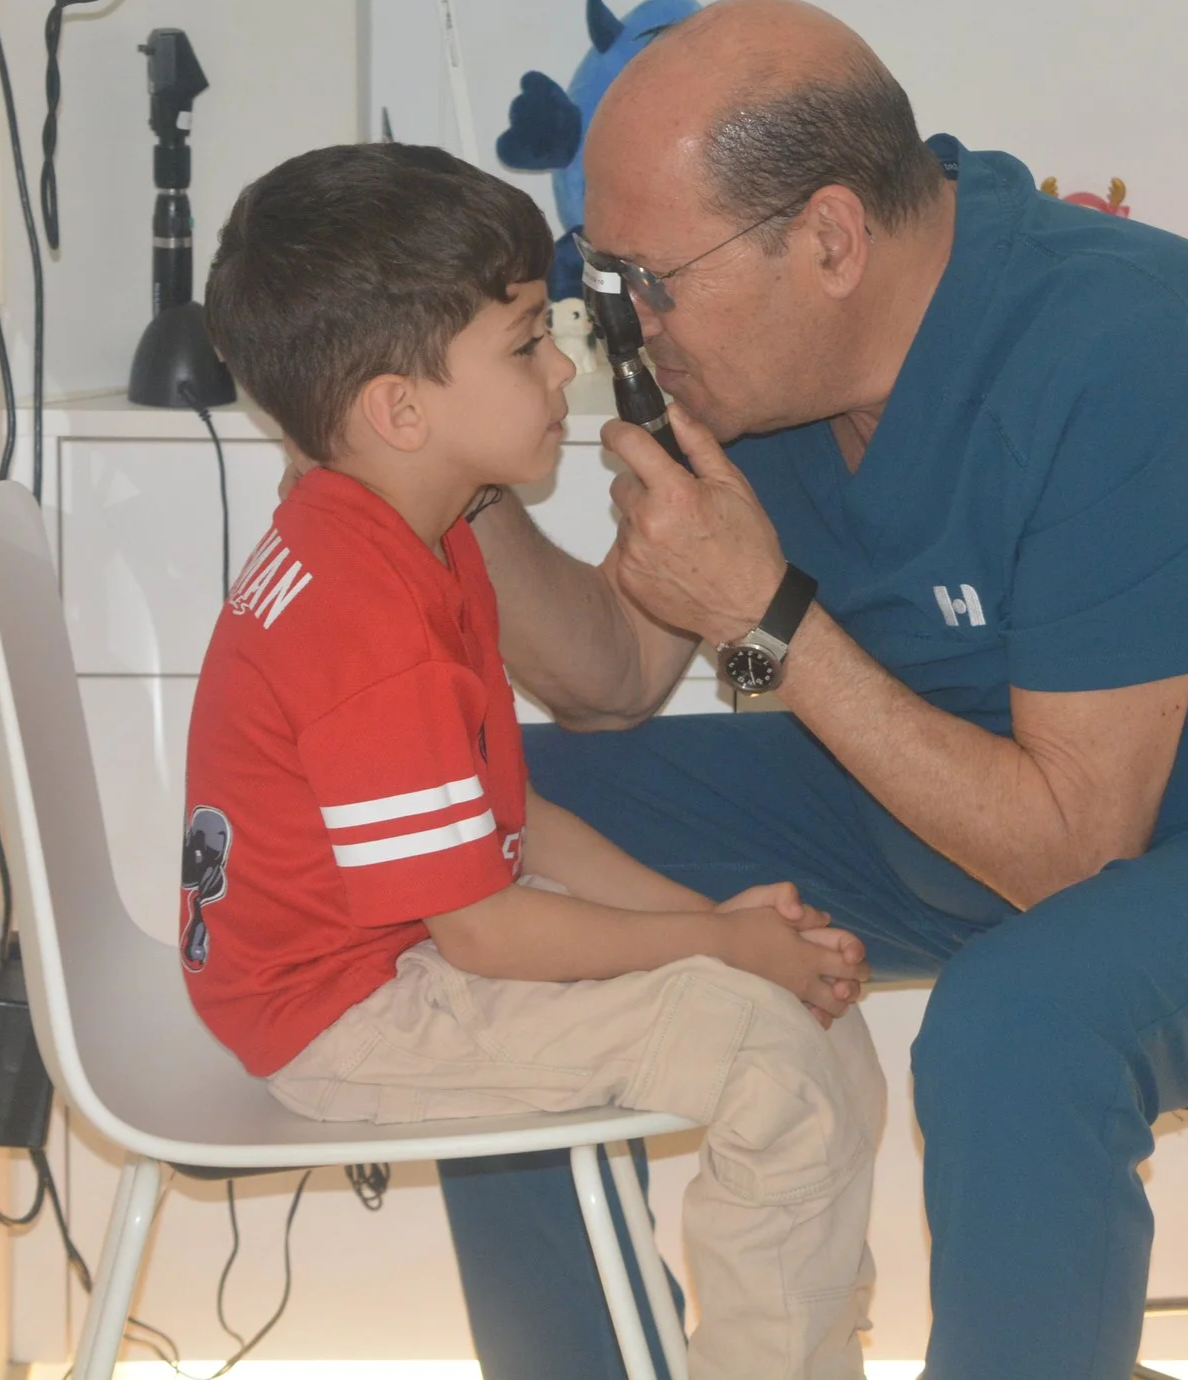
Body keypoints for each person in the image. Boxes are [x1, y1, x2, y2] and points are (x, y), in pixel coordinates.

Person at [435, 0, 1188, 1380]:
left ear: (830, 239)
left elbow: (1071, 856)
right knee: (465, 835)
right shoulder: (755, 366)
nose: (626, 326)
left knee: (1019, 1026)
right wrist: (443, 471)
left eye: (652, 278)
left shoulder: (1127, 342)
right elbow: (613, 683)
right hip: (949, 797)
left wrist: (766, 619)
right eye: (603, 275)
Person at [183, 141, 885, 1380]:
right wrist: (719, 947)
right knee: (770, 1059)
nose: (565, 365)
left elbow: (514, 821)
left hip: (401, 955)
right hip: (351, 1014)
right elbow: (484, 929)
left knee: (808, 1026)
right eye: (524, 343)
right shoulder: (368, 614)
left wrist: (715, 926)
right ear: (400, 411)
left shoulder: (422, 537)